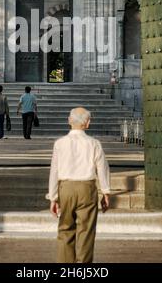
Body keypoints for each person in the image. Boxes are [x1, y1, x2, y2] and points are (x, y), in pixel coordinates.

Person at [47, 107, 110, 263]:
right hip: (87, 188)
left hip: (65, 188)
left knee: (65, 229)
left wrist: (53, 197)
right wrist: (106, 192)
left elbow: (54, 171)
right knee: (86, 230)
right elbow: (102, 169)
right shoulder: (94, 143)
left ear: (69, 121)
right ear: (87, 123)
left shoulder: (59, 143)